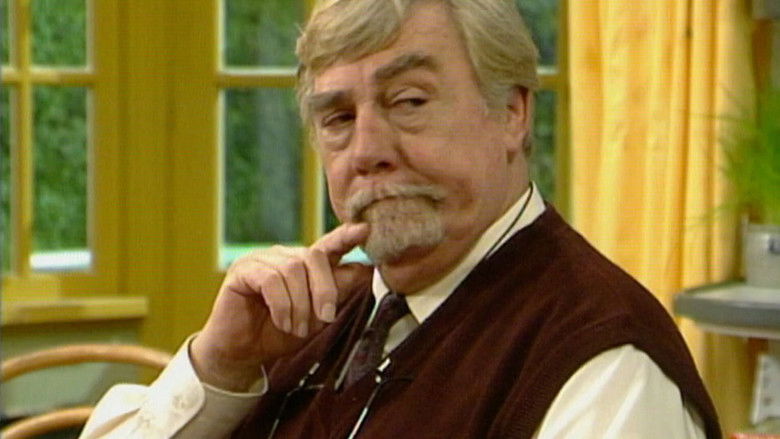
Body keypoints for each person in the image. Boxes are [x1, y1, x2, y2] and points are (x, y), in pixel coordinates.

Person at [80, 0, 721, 438]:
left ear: (511, 113)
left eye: (409, 101)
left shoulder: (600, 357)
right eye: (338, 119)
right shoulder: (296, 326)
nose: (366, 151)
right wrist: (219, 369)